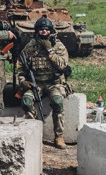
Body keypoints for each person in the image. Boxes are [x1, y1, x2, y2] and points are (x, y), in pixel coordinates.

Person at [18, 16, 70, 149]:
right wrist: (23, 82)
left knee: (58, 101)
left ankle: (59, 136)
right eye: (41, 30)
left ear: (51, 31)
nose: (44, 32)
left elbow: (62, 65)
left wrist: (49, 51)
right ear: (37, 31)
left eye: (46, 30)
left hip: (54, 83)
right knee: (27, 100)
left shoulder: (58, 45)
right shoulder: (30, 46)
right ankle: (31, 132)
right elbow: (21, 67)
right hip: (36, 83)